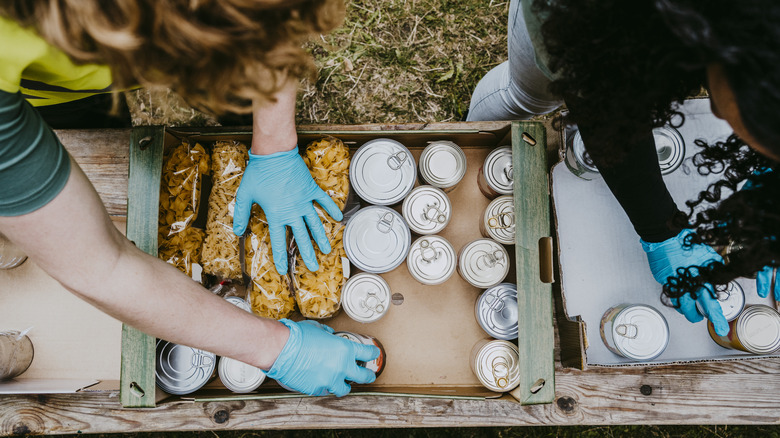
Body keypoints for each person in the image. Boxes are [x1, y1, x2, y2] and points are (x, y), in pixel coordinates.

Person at [0, 0, 378, 397]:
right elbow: (99, 266)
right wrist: (276, 349)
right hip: (46, 92)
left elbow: (268, 21)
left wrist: (274, 144)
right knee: (95, 122)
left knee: (234, 91)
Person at [467, 0, 780, 335]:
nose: (718, 115)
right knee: (527, 96)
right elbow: (605, 110)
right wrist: (662, 232)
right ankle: (472, 142)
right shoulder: (591, 18)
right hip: (585, 19)